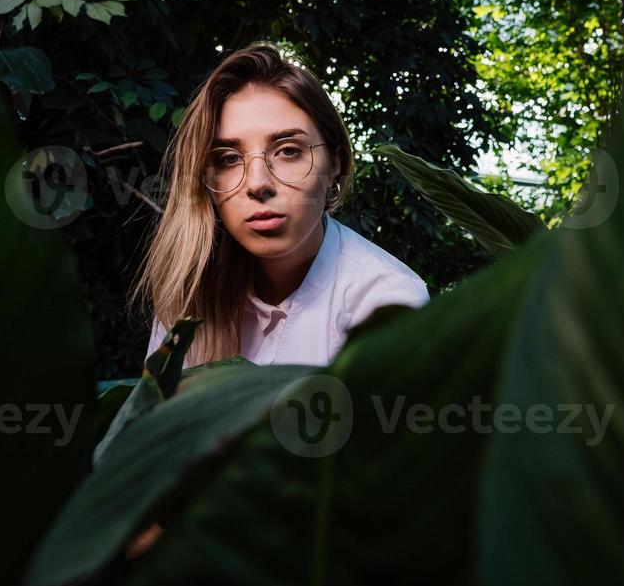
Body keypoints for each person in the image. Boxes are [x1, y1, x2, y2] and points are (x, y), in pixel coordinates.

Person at [130, 43, 429, 370]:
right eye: (228, 159)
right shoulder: (189, 288)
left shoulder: (389, 300)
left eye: (288, 151)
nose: (258, 184)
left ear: (335, 165)